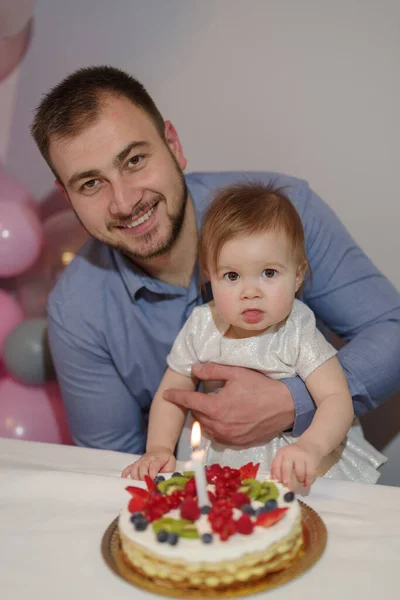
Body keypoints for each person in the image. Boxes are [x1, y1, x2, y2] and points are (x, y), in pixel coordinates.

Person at [30, 65, 400, 458]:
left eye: (134, 160)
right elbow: (111, 466)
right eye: (90, 184)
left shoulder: (283, 211)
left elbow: (392, 330)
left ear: (173, 145)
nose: (124, 202)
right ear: (67, 196)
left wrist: (291, 402)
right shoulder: (76, 311)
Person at [122, 183, 386, 486]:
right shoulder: (202, 324)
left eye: (269, 273)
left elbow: (336, 399)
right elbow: (172, 393)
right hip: (218, 460)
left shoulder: (296, 329)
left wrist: (310, 447)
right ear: (209, 276)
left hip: (290, 459)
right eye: (232, 276)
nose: (250, 292)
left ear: (298, 275)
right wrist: (158, 448)